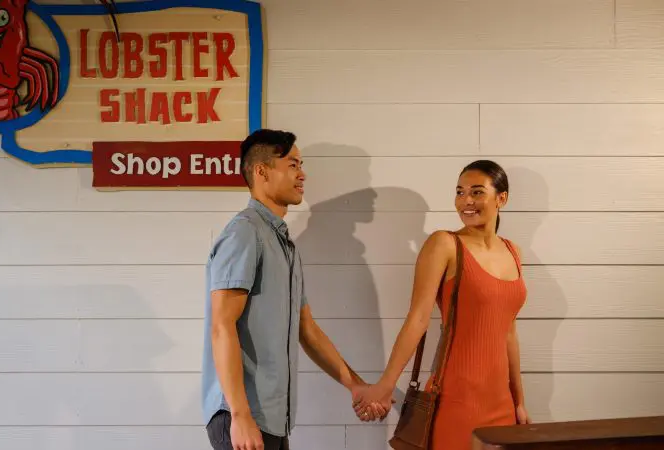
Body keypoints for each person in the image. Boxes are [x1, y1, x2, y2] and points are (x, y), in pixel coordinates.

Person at [201, 129, 391, 450]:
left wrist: (355, 386)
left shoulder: (283, 244)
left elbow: (307, 329)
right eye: (292, 165)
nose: (302, 174)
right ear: (261, 172)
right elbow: (222, 325)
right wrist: (240, 415)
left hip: (272, 418)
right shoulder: (245, 233)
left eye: (301, 165)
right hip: (242, 417)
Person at [352, 160, 531, 450]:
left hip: (502, 404)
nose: (466, 201)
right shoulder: (444, 244)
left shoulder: (514, 252)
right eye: (460, 192)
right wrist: (386, 385)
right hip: (456, 399)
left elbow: (509, 332)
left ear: (502, 198)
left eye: (476, 192)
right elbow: (418, 319)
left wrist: (519, 401)